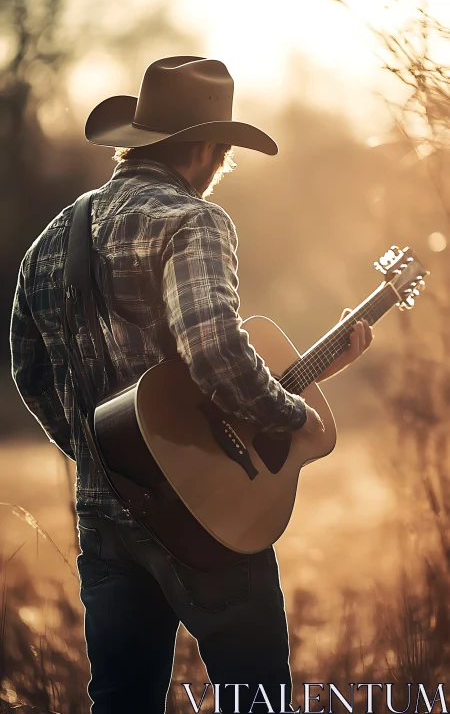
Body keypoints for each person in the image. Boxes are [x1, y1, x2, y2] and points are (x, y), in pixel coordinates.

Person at [10, 56, 373, 714]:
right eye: (224, 152)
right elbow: (216, 355)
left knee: (121, 702)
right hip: (206, 529)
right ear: (209, 148)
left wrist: (107, 462)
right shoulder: (194, 221)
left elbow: (28, 369)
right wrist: (295, 417)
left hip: (103, 521)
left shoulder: (51, 240)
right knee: (254, 699)